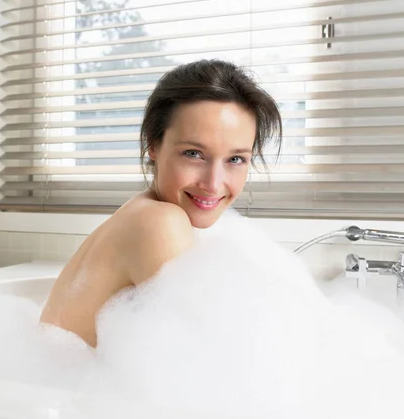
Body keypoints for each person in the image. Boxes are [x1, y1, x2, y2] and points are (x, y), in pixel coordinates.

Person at [39, 59, 282, 347]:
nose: (214, 183)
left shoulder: (143, 209)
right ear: (153, 145)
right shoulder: (159, 222)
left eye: (235, 159)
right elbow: (212, 360)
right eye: (194, 153)